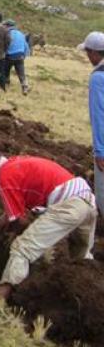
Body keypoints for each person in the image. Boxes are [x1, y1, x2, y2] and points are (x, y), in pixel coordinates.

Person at [0, 145, 96, 300]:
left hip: (70, 206)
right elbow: (16, 211)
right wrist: (3, 220)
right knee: (81, 259)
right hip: (87, 200)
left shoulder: (3, 177)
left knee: (22, 248)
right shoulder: (15, 163)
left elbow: (19, 220)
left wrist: (13, 230)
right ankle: (89, 298)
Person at [79, 31, 104, 217]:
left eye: (88, 53)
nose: (88, 57)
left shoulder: (97, 77)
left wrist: (100, 151)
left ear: (95, 53)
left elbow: (99, 115)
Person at [3, 20, 30, 95]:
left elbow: (5, 45)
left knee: (6, 71)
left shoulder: (7, 33)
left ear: (7, 26)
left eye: (4, 25)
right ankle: (25, 86)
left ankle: (6, 85)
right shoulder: (21, 34)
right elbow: (26, 46)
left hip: (9, 56)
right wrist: (24, 55)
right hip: (20, 55)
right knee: (21, 73)